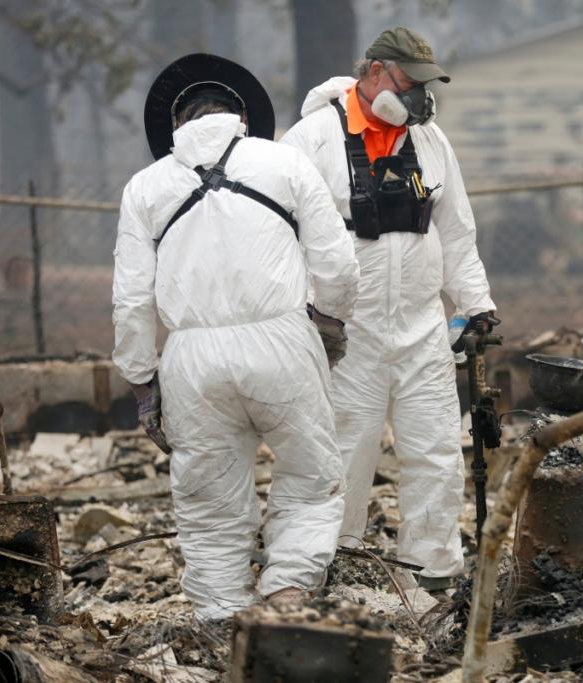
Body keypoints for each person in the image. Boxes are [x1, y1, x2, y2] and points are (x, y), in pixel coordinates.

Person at [112, 53, 359, 620]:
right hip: (282, 339)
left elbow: (131, 300)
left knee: (209, 500)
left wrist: (142, 382)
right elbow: (338, 266)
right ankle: (288, 591)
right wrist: (329, 323)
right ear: (243, 117)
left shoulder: (145, 187)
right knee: (311, 474)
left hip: (191, 357)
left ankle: (221, 621)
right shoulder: (285, 164)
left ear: (174, 127)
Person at [281, 27, 497, 588]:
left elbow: (455, 232)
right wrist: (299, 317)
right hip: (346, 333)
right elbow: (281, 241)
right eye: (409, 82)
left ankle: (433, 575)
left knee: (436, 453)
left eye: (425, 85)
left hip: (423, 328)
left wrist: (475, 303)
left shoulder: (430, 141)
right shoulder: (311, 142)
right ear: (374, 73)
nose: (419, 96)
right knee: (344, 456)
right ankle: (339, 567)